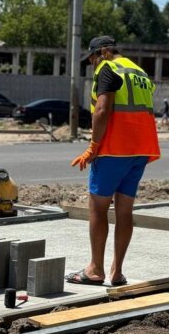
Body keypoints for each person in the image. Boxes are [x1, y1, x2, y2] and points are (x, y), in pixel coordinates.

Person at [67, 36, 160, 286]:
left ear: (103, 52)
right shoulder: (139, 71)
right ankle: (116, 272)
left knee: (97, 207)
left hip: (113, 149)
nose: (94, 64)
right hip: (140, 150)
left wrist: (93, 147)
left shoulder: (107, 68)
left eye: (94, 58)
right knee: (124, 211)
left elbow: (102, 110)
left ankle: (95, 270)